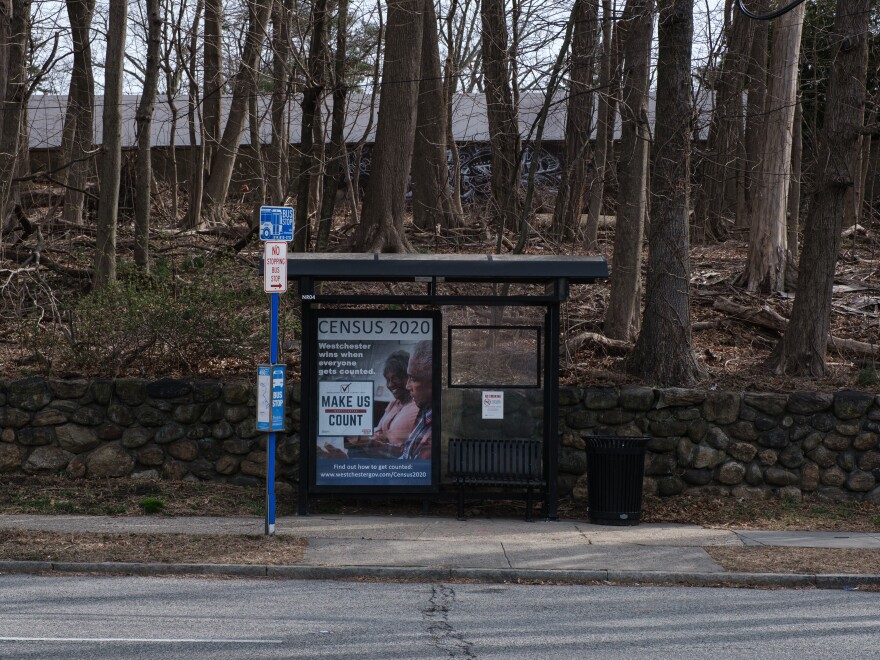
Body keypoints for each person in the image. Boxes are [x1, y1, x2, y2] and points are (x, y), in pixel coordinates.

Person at [345, 350, 419, 458]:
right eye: (387, 380)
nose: (390, 384)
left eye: (396, 378)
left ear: (408, 377)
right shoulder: (394, 403)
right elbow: (379, 433)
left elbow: (404, 452)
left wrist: (366, 442)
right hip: (380, 454)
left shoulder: (417, 407)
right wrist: (362, 440)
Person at [398, 340, 432, 460]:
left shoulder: (435, 429)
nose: (407, 386)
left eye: (413, 378)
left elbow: (412, 473)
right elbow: (406, 456)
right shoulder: (427, 414)